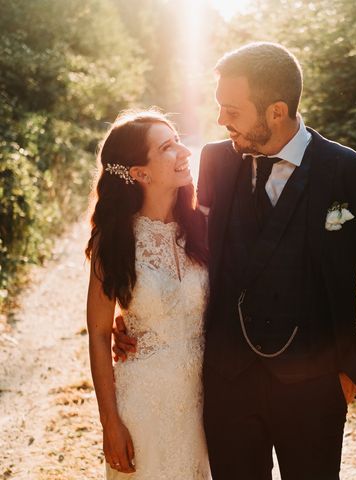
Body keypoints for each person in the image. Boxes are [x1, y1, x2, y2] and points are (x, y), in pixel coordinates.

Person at [115, 42, 356, 479]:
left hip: (315, 387)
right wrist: (137, 316)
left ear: (276, 111)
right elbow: (178, 243)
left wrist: (352, 373)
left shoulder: (354, 175)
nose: (220, 120)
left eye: (232, 109)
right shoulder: (214, 162)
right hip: (227, 383)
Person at [85, 109, 211, 479]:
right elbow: (98, 332)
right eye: (168, 147)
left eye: (179, 141)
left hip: (207, 403)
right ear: (139, 173)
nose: (184, 152)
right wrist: (110, 422)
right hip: (143, 404)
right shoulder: (113, 241)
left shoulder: (204, 225)